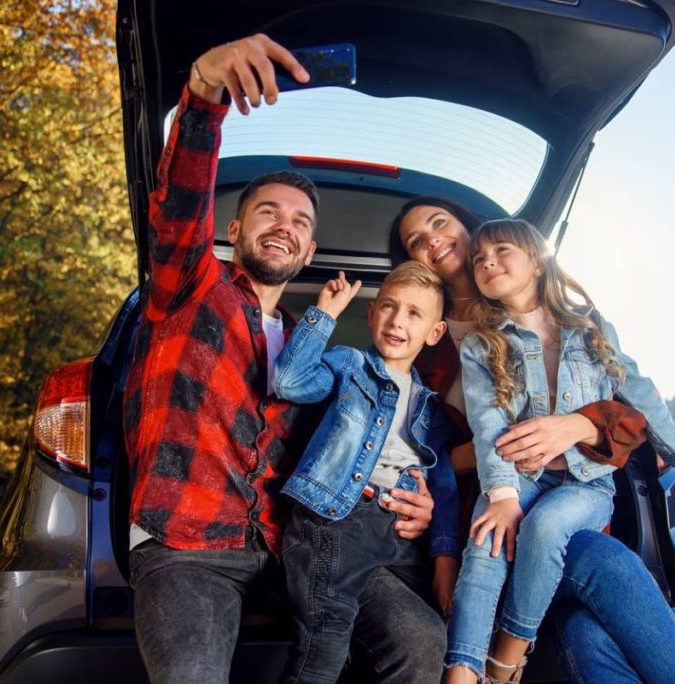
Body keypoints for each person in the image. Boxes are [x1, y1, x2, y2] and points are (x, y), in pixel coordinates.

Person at [123, 35, 442, 683]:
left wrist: (416, 496)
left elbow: (352, 452)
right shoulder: (190, 286)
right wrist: (205, 92)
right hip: (190, 544)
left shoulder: (314, 350)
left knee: (421, 640)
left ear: (310, 245)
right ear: (234, 231)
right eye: (268, 210)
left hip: (299, 547)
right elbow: (180, 203)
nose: (284, 224)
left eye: (299, 220)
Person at [389, 198, 675, 683]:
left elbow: (633, 408)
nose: (433, 240)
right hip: (496, 494)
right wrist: (460, 528)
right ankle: (472, 670)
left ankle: (502, 664)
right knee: (563, 571)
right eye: (417, 241)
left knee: (595, 599)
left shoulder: (583, 327)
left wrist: (583, 424)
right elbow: (428, 450)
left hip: (573, 496)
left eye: (440, 224)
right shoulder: (426, 346)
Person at [272, 263, 459, 683]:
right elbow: (289, 382)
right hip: (336, 521)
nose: (397, 320)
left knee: (427, 640)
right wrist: (325, 314)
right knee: (323, 651)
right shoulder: (349, 365)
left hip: (399, 543)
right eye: (389, 307)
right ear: (372, 314)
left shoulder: (432, 409)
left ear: (435, 332)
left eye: (415, 313)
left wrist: (444, 558)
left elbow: (443, 489)